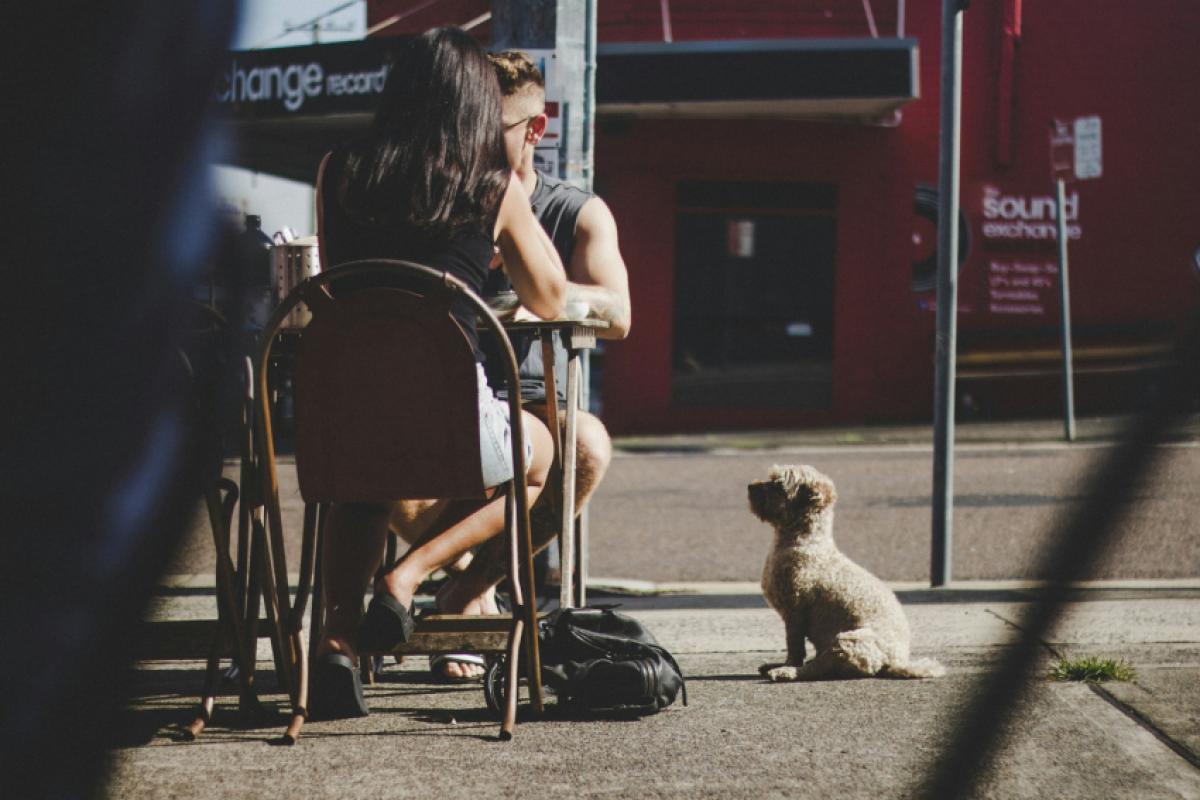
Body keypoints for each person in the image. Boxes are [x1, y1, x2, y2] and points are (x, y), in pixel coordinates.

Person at [309, 27, 567, 719]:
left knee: (359, 486)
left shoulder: (338, 170)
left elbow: (335, 282)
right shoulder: (493, 185)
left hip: (349, 410)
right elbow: (549, 296)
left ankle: (335, 642)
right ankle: (407, 577)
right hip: (450, 415)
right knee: (547, 455)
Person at [391, 49, 632, 681]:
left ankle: (464, 591)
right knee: (401, 484)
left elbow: (619, 312)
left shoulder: (575, 211)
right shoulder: (440, 198)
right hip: (439, 396)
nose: (469, 143)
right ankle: (449, 595)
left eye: (487, 129)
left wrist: (539, 299)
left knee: (584, 443)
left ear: (535, 130)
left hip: (532, 398)